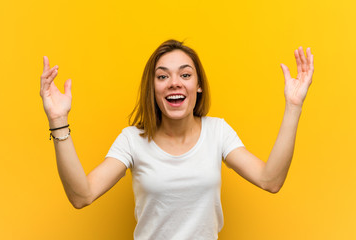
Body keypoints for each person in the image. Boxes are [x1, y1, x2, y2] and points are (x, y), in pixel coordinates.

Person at [40, 39, 314, 239]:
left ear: (198, 86)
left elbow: (270, 180)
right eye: (163, 76)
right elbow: (82, 195)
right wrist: (57, 120)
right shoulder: (133, 140)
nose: (174, 82)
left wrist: (293, 106)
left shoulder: (217, 131)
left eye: (185, 74)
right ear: (153, 87)